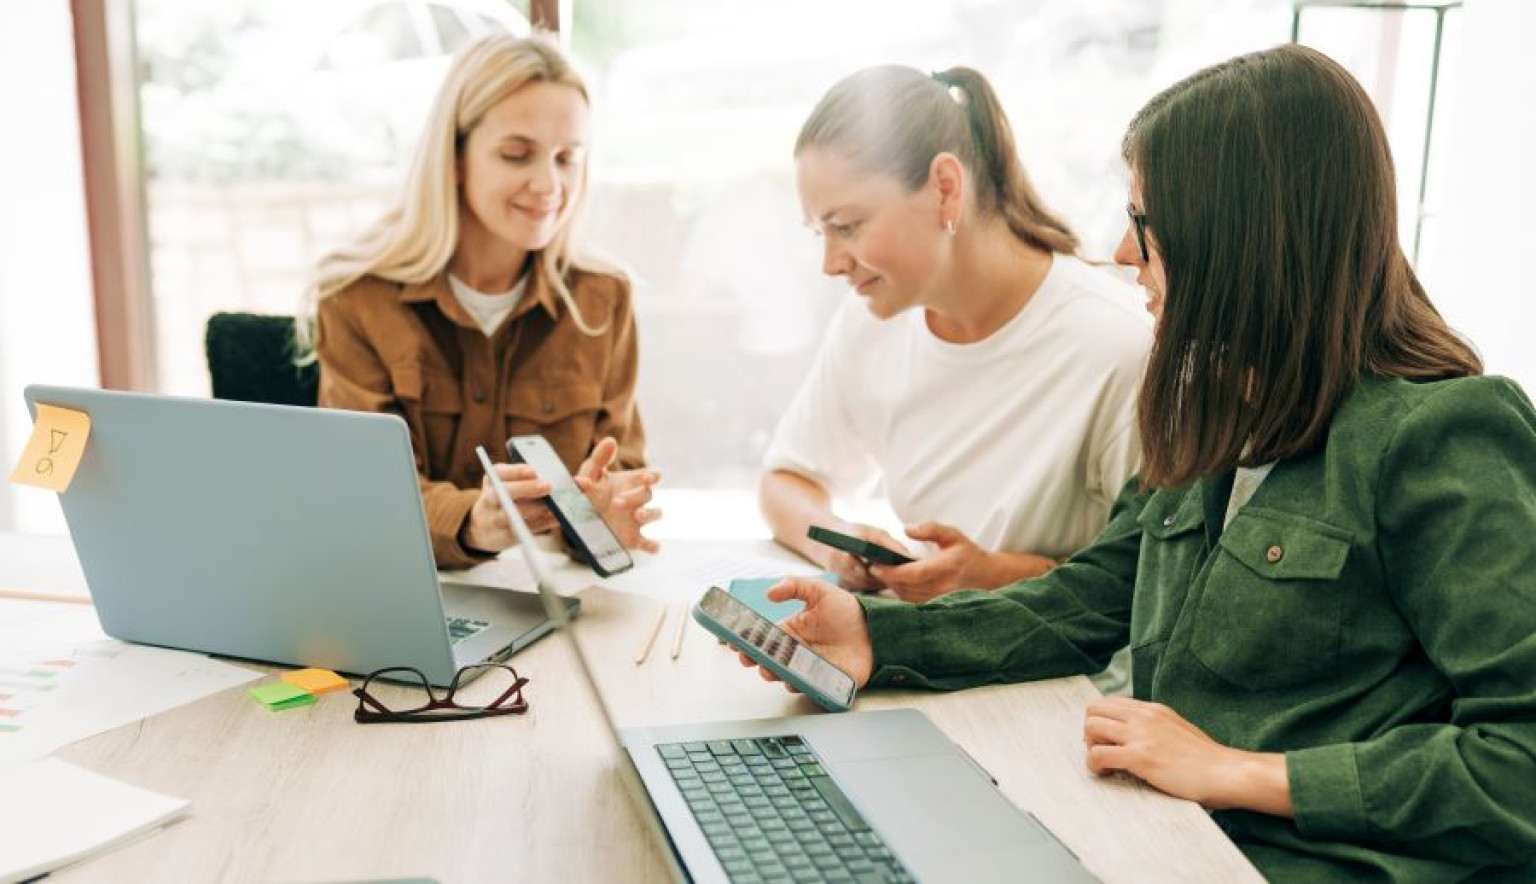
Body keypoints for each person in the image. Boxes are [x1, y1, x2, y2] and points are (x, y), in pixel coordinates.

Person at [740, 45, 1536, 881]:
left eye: (1146, 225)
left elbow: (1520, 759)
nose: (1122, 252)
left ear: (1239, 236)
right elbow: (1087, 600)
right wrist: (875, 636)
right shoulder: (1216, 416)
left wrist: (1242, 771)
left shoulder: (1446, 436)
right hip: (1160, 840)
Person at [761, 64, 1152, 608]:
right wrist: (836, 547)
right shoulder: (869, 321)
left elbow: (1154, 581)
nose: (830, 264)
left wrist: (995, 575)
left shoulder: (1117, 346)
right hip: (929, 648)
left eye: (847, 226)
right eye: (819, 233)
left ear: (946, 188)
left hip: (1066, 679)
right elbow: (786, 481)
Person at [296, 35, 659, 570]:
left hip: (554, 602)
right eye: (517, 154)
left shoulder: (603, 298)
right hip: (400, 589)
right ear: (456, 157)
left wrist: (606, 512)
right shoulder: (356, 298)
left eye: (567, 159)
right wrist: (473, 521)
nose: (548, 184)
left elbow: (619, 466)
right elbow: (366, 495)